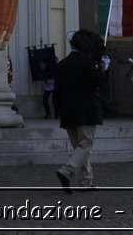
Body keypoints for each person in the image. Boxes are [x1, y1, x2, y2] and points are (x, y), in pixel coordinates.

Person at [51, 29, 105, 194]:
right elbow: (96, 82)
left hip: (68, 112)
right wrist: (101, 68)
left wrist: (58, 110)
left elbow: (57, 92)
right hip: (86, 111)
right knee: (85, 145)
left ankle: (86, 181)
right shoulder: (87, 63)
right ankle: (67, 170)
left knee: (80, 149)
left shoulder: (62, 64)